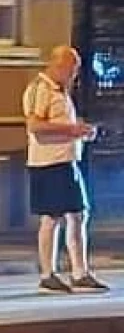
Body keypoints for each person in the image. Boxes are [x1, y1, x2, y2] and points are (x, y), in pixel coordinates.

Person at [22, 45, 106, 293]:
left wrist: (80, 132)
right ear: (58, 65)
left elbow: (58, 124)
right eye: (72, 70)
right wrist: (72, 130)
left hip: (66, 160)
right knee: (52, 217)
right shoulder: (40, 88)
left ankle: (79, 272)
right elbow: (35, 125)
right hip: (48, 162)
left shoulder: (60, 91)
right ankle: (48, 273)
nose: (74, 76)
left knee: (78, 214)